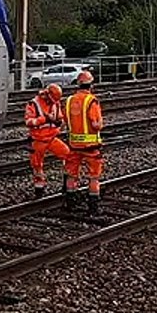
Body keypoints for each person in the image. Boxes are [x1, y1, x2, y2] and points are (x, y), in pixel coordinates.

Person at [64, 70, 104, 215]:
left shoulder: (69, 101)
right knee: (94, 177)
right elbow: (96, 125)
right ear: (91, 85)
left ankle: (70, 204)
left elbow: (67, 121)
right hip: (90, 148)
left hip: (73, 145)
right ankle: (93, 208)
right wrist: (100, 123)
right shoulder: (91, 101)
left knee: (71, 175)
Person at [24, 83, 68, 198]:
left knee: (69, 156)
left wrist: (59, 122)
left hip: (52, 138)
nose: (53, 102)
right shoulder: (34, 103)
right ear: (46, 95)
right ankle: (39, 191)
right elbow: (29, 122)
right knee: (37, 166)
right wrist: (44, 119)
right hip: (38, 140)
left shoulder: (55, 103)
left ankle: (67, 185)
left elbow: (61, 119)